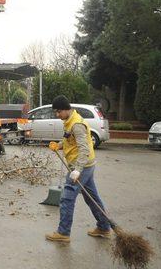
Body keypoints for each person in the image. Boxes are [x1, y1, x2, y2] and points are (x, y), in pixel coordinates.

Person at [45, 95, 111, 243]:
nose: (57, 115)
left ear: (65, 109)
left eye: (58, 112)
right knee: (92, 198)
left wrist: (77, 170)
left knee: (67, 198)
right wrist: (59, 145)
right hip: (86, 166)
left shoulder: (77, 125)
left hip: (81, 166)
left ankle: (63, 233)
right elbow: (69, 140)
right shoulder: (69, 121)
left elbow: (84, 148)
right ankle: (104, 227)